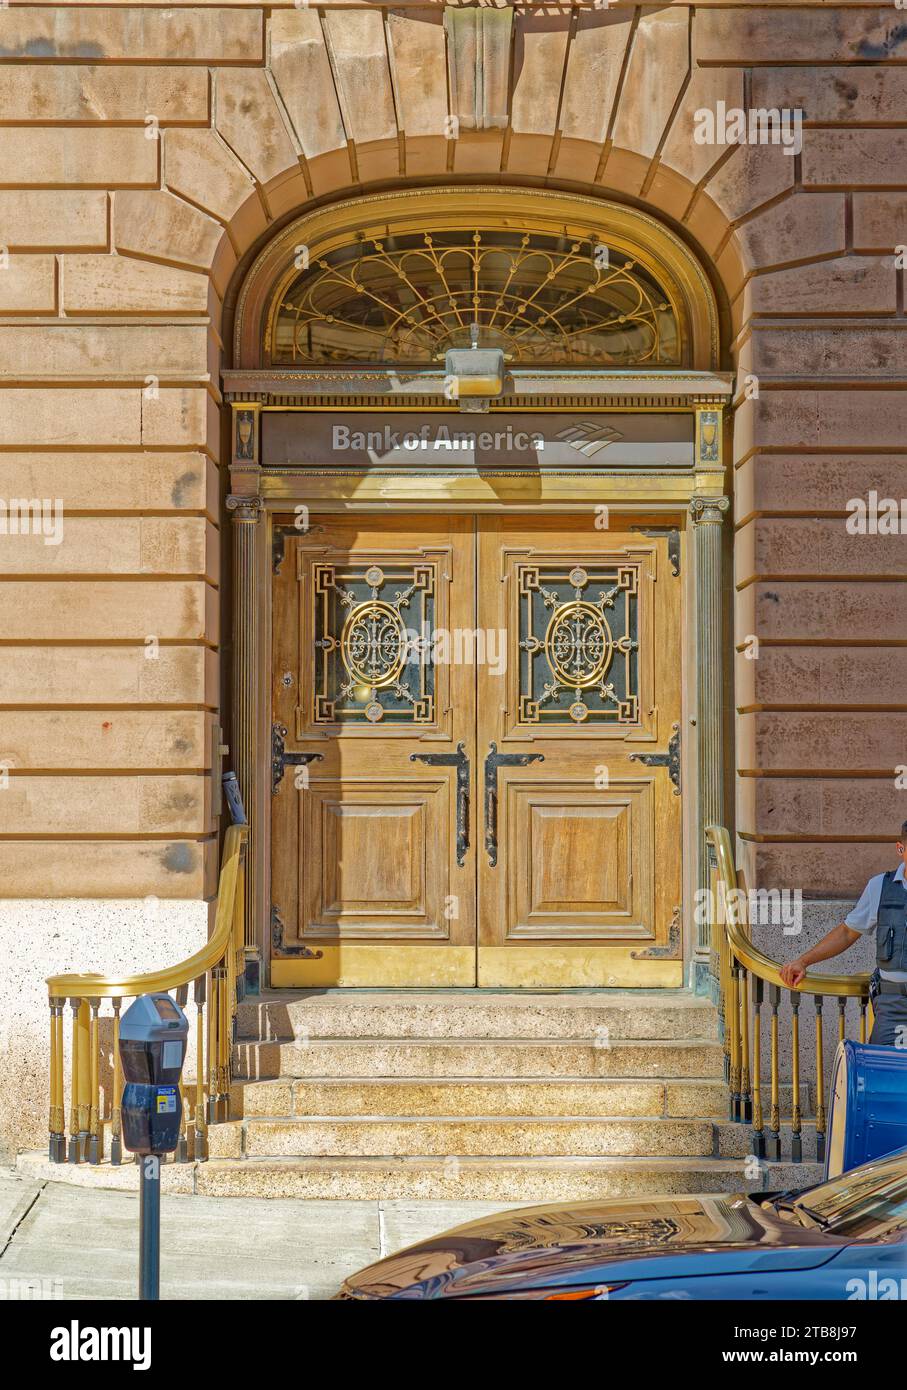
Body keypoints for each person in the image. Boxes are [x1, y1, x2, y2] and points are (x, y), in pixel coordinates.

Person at [780, 823, 907, 1047]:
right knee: (884, 1073)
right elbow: (847, 932)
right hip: (893, 1005)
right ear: (900, 848)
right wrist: (803, 961)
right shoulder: (880, 886)